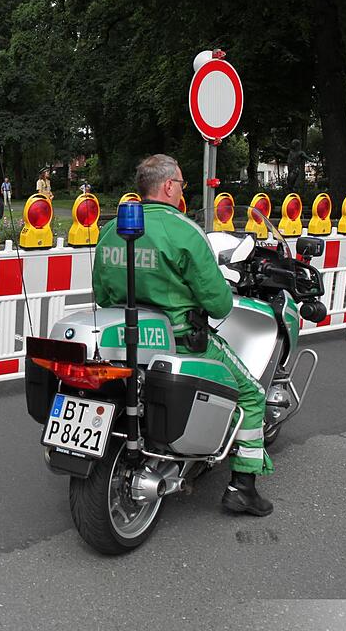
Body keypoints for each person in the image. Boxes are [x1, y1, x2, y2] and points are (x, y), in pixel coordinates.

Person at [92, 154, 274, 517]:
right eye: (180, 183)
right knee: (252, 395)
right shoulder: (184, 231)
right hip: (180, 341)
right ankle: (243, 487)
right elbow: (220, 305)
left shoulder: (114, 228)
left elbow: (102, 292)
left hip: (123, 343)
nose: (181, 190)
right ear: (168, 186)